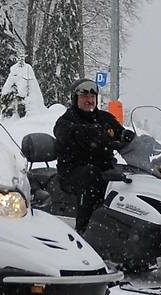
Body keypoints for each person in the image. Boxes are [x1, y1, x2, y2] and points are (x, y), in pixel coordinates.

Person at [54, 78, 136, 233]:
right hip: (73, 171)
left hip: (104, 168)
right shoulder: (66, 121)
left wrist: (130, 138)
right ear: (75, 98)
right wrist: (93, 133)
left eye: (92, 97)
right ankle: (83, 229)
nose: (89, 100)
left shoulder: (105, 118)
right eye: (84, 97)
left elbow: (119, 132)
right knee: (91, 175)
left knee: (130, 178)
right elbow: (66, 133)